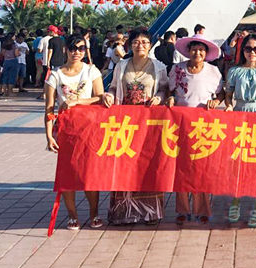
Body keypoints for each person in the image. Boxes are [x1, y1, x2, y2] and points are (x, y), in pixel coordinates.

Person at [103, 29, 169, 225]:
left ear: (150, 45)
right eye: (136, 42)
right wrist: (109, 96)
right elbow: (113, 87)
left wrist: (159, 98)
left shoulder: (159, 67)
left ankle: (151, 213)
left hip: (148, 123)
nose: (140, 45)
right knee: (125, 163)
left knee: (148, 164)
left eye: (144, 42)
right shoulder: (121, 65)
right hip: (125, 123)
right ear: (130, 45)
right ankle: (124, 213)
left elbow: (164, 89)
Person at [44, 34, 105, 230]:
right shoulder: (55, 75)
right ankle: (72, 215)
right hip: (66, 131)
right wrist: (48, 136)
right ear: (66, 50)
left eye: (80, 48)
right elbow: (49, 109)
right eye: (73, 48)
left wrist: (78, 101)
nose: (76, 52)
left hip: (89, 129)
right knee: (68, 174)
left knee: (89, 173)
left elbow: (100, 97)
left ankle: (94, 213)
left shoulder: (91, 71)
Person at [168, 33, 223, 225]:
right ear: (188, 51)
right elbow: (169, 90)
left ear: (206, 53)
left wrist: (215, 102)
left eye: (201, 50)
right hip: (180, 125)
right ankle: (182, 210)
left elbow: (221, 93)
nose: (197, 53)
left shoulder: (213, 71)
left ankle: (203, 210)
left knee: (201, 169)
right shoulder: (177, 69)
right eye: (194, 49)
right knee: (181, 168)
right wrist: (171, 98)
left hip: (203, 126)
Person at [225, 34, 256, 227]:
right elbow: (228, 94)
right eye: (248, 49)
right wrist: (229, 105)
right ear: (242, 50)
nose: (252, 52)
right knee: (238, 161)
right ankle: (235, 199)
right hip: (240, 116)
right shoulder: (234, 71)